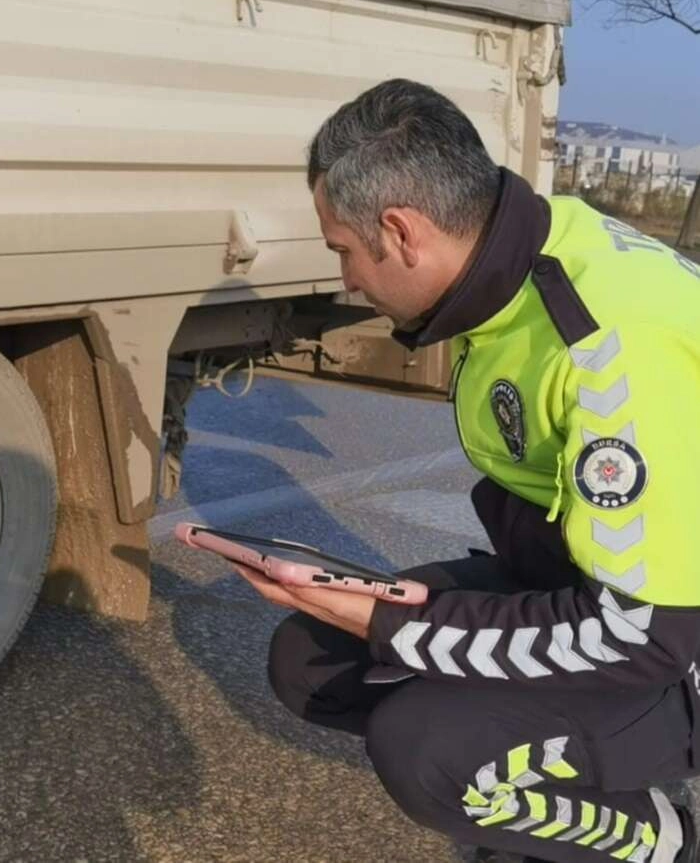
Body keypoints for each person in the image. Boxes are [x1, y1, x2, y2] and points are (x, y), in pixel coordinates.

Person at [240, 78, 700, 863]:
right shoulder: (528, 256)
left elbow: (642, 634)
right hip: (582, 581)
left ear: (402, 230)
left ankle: (666, 839)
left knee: (427, 751)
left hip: (671, 644)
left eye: (344, 250)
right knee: (309, 656)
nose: (347, 279)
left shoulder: (608, 354)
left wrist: (400, 626)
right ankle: (547, 767)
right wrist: (399, 618)